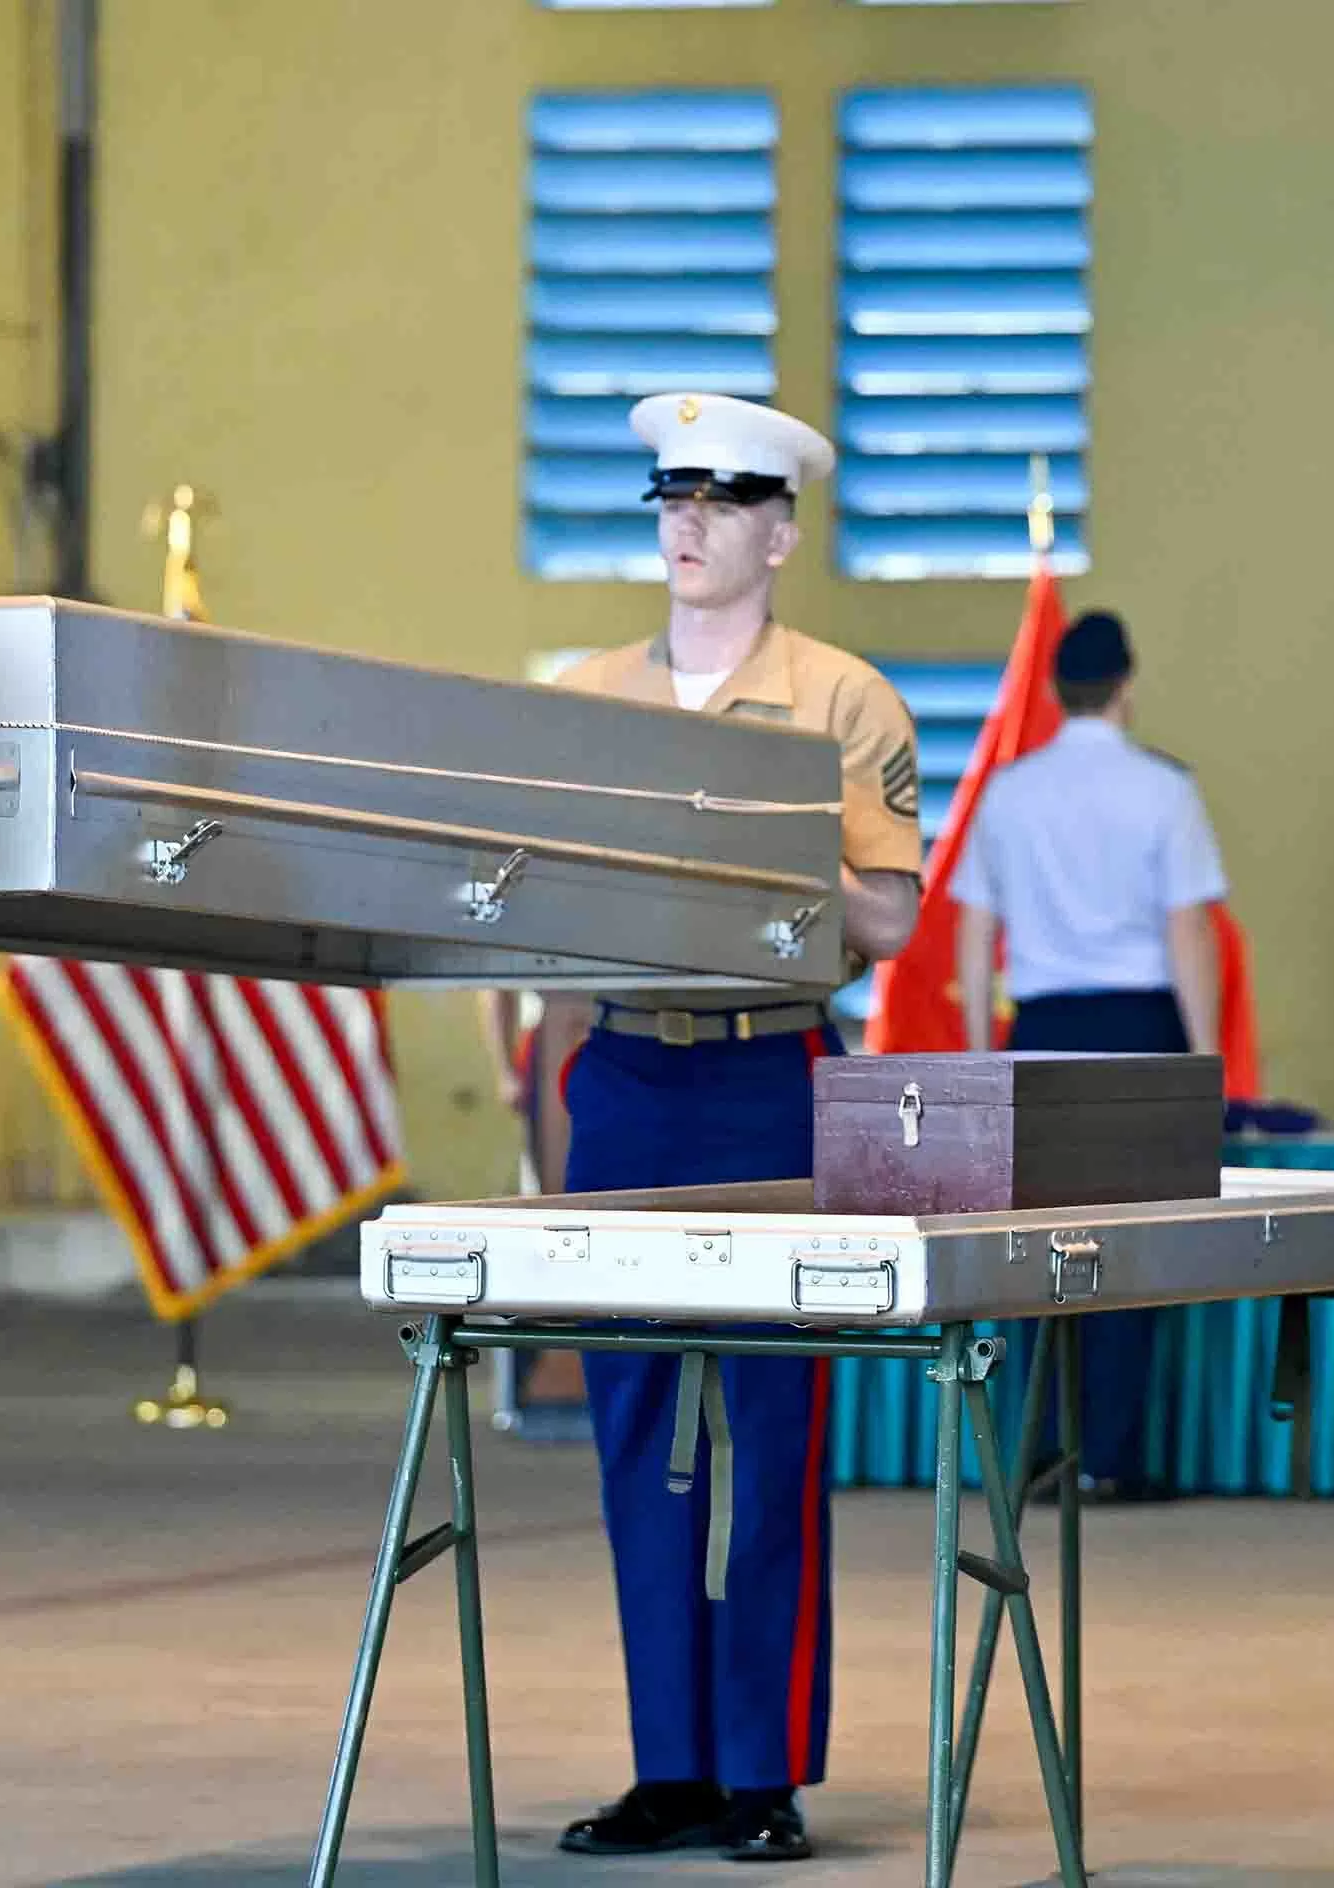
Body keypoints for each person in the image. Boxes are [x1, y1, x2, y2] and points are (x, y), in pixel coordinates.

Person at [534, 392, 924, 1865]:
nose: (685, 527)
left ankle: (763, 1768)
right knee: (639, 1429)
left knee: (766, 1429)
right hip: (630, 1077)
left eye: (718, 504)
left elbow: (887, 913)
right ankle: (670, 1766)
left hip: (770, 1073)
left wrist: (772, 839)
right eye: (668, 502)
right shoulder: (583, 696)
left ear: (780, 530)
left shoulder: (840, 703)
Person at [948, 607, 1228, 1500]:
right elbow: (1190, 931)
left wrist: (980, 1056)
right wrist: (1205, 1058)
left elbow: (972, 933)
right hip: (1140, 1032)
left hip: (1039, 1034)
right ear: (1127, 684)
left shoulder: (1006, 791)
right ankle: (1112, 1457)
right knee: (1130, 1250)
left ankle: (1032, 1450)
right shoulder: (1164, 791)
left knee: (1035, 1253)